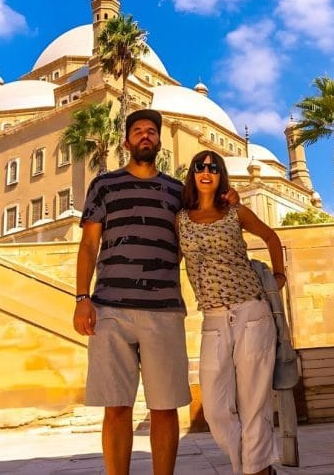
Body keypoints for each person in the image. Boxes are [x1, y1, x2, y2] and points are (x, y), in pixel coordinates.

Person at [73, 109, 237, 475]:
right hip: (110, 310)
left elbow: (203, 223)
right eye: (138, 131)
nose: (145, 136)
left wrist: (230, 199)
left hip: (163, 311)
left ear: (159, 141)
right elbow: (88, 245)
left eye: (151, 131)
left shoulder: (177, 192)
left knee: (165, 407)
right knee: (116, 406)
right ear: (126, 140)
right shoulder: (104, 185)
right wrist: (82, 299)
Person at [176, 149, 286, 475]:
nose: (206, 171)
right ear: (193, 174)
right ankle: (252, 468)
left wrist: (279, 276)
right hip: (213, 320)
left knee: (254, 403)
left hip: (252, 312)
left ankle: (257, 471)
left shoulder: (235, 211)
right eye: (200, 166)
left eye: (213, 167)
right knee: (214, 408)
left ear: (221, 175)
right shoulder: (180, 219)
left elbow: (271, 236)